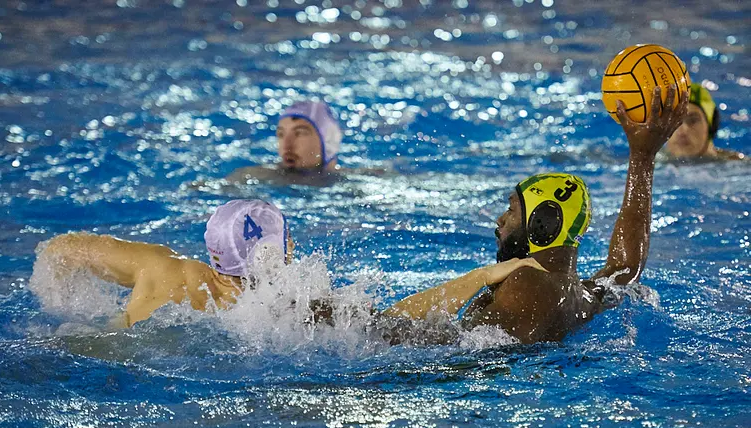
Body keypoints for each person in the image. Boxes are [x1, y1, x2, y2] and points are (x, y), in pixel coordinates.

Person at [384, 85, 689, 344]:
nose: (499, 221)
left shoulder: (529, 285)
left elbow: (445, 349)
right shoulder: (585, 297)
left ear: (544, 224)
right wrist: (643, 156)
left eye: (512, 210)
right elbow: (626, 266)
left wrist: (479, 277)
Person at [35, 200, 293, 327]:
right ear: (267, 253)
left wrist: (61, 305)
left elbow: (58, 249)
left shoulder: (161, 267)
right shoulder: (281, 312)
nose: (291, 246)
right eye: (285, 238)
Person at [224, 101, 345, 186]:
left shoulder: (354, 183)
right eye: (281, 134)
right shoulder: (251, 177)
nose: (286, 145)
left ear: (328, 142)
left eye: (299, 133)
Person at [665, 83, 745, 160]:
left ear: (712, 125)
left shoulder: (738, 166)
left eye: (693, 120)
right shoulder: (656, 162)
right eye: (673, 120)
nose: (682, 131)